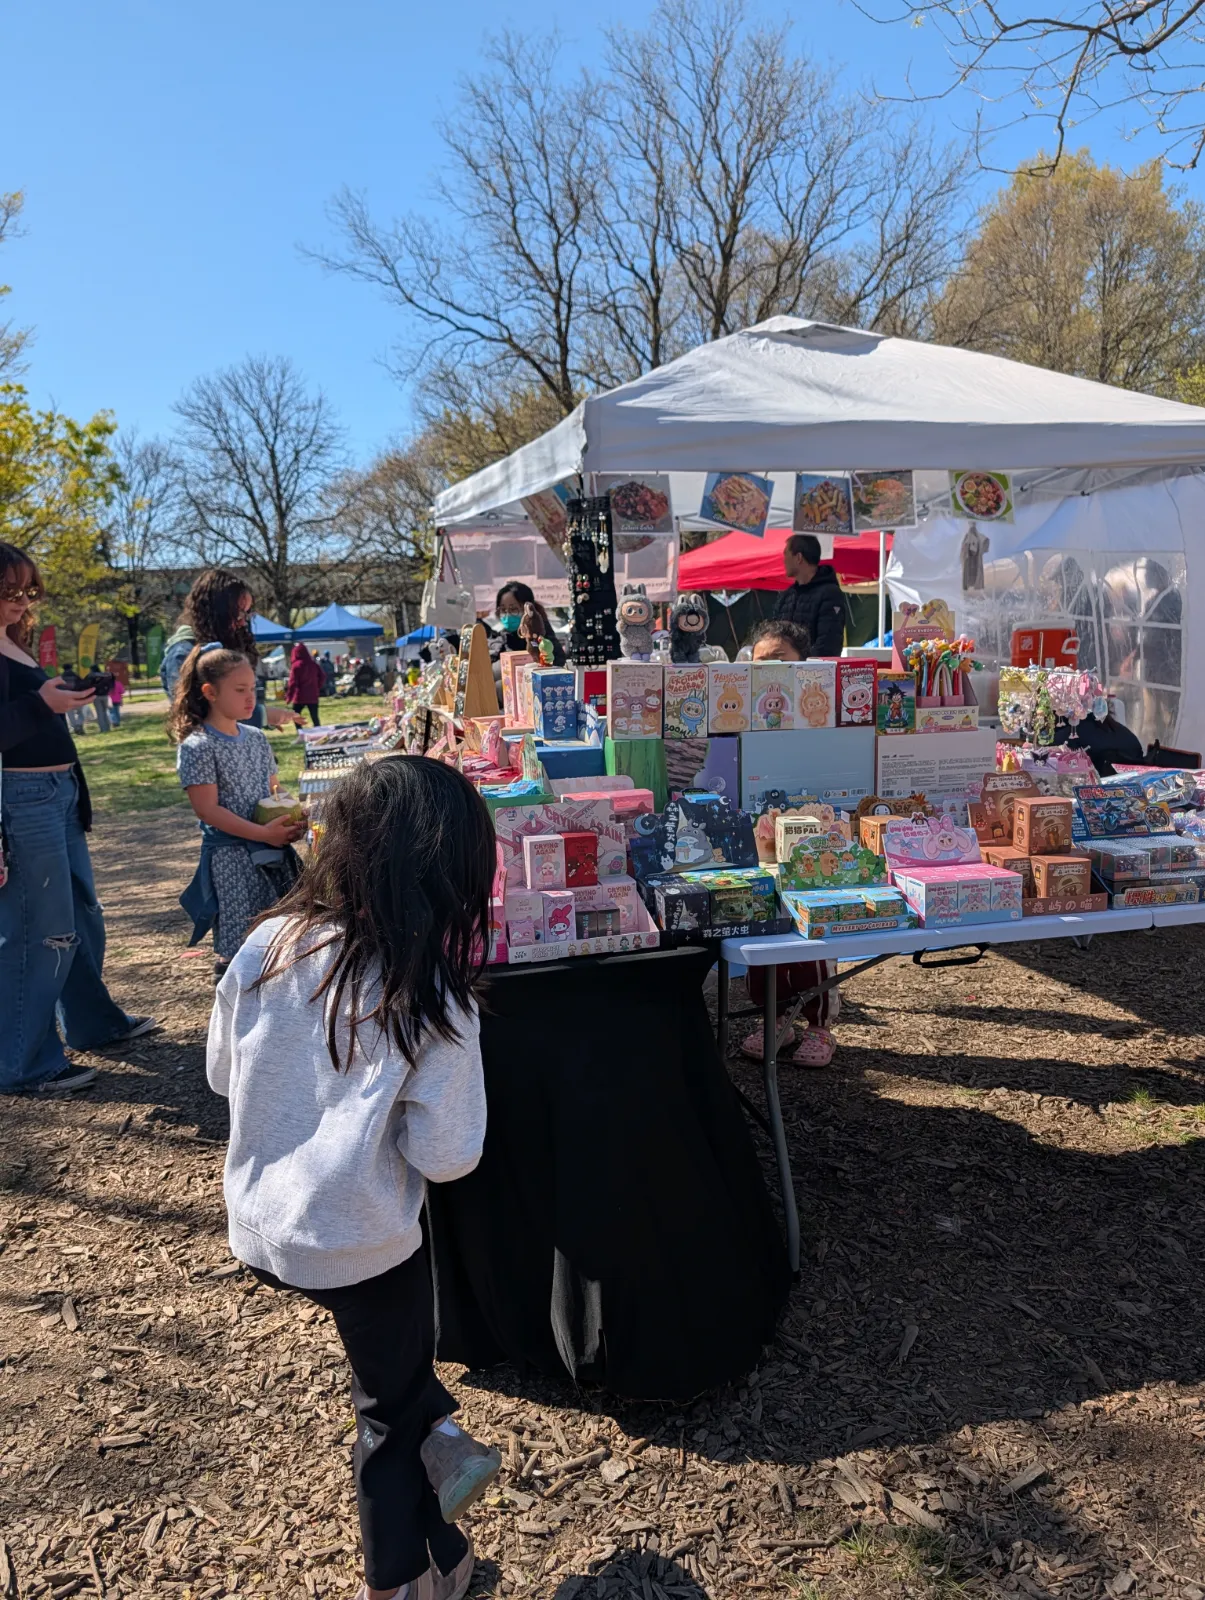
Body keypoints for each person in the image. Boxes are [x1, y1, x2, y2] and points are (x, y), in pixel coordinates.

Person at [207, 756, 502, 1600]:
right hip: (361, 1240)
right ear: (451, 873)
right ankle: (399, 1578)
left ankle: (441, 1524)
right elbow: (449, 1157)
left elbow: (224, 1073)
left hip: (260, 1217)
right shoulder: (431, 998)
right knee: (390, 1413)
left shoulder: (268, 940)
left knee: (399, 1377)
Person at [0, 541, 158, 1094]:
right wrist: (43, 703)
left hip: (56, 793)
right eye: (10, 591)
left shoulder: (14, 644)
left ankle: (92, 1022)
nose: (22, 602)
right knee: (38, 932)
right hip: (21, 800)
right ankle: (23, 1063)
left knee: (80, 917)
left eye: (28, 590)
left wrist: (61, 695)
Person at [737, 616, 839, 1068]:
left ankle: (820, 1026)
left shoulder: (823, 708)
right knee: (765, 926)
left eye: (780, 660)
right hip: (760, 832)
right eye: (760, 662)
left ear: (805, 662)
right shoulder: (743, 708)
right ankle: (775, 1019)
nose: (770, 671)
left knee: (812, 930)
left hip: (812, 829)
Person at [172, 646, 305, 983]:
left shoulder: (257, 738)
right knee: (240, 942)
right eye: (240, 690)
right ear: (210, 692)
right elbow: (208, 809)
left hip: (272, 849)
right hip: (233, 859)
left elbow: (276, 791)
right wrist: (263, 834)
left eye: (253, 690)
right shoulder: (198, 746)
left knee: (279, 931)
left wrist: (295, 818)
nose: (251, 699)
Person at [161, 569, 300, 730]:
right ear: (215, 612)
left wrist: (259, 720)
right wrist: (261, 715)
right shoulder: (182, 654)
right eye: (238, 613)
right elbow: (197, 715)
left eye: (247, 614)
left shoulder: (221, 644)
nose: (242, 622)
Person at [774, 534, 846, 656]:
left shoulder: (830, 594)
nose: (784, 560)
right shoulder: (787, 596)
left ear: (799, 557)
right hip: (785, 671)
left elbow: (828, 644)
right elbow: (775, 636)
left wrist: (802, 667)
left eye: (786, 554)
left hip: (815, 672)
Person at [286, 641, 324, 726]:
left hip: (300, 696)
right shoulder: (313, 664)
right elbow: (322, 676)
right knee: (315, 716)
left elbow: (292, 683)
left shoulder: (296, 666)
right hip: (313, 694)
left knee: (296, 716)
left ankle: (300, 732)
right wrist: (317, 686)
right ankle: (318, 731)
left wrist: (289, 697)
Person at [82, 666, 112, 732]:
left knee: (99, 712)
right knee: (105, 711)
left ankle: (103, 728)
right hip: (105, 695)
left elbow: (85, 683)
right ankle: (108, 727)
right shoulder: (105, 675)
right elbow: (110, 683)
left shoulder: (91, 675)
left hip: (96, 696)